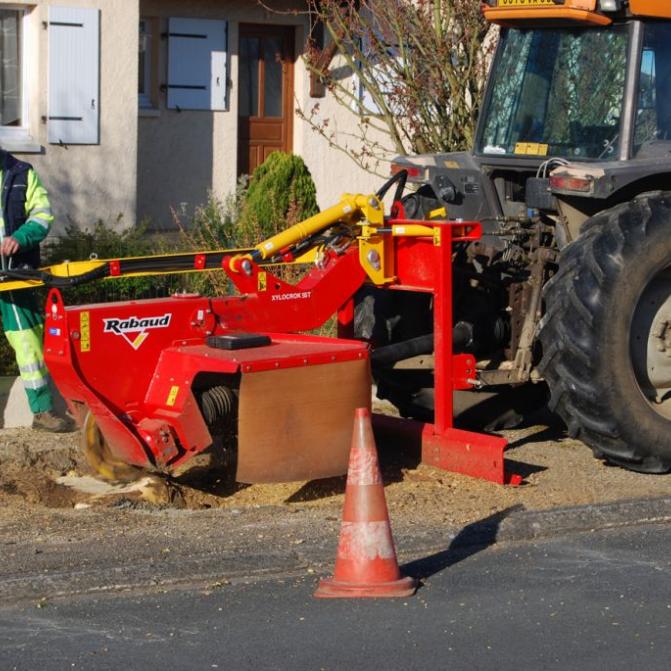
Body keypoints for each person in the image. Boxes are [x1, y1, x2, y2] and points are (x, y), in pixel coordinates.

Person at [0, 148, 71, 432]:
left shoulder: (22, 173)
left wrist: (20, 238)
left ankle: (42, 411)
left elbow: (42, 216)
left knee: (28, 340)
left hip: (15, 273)